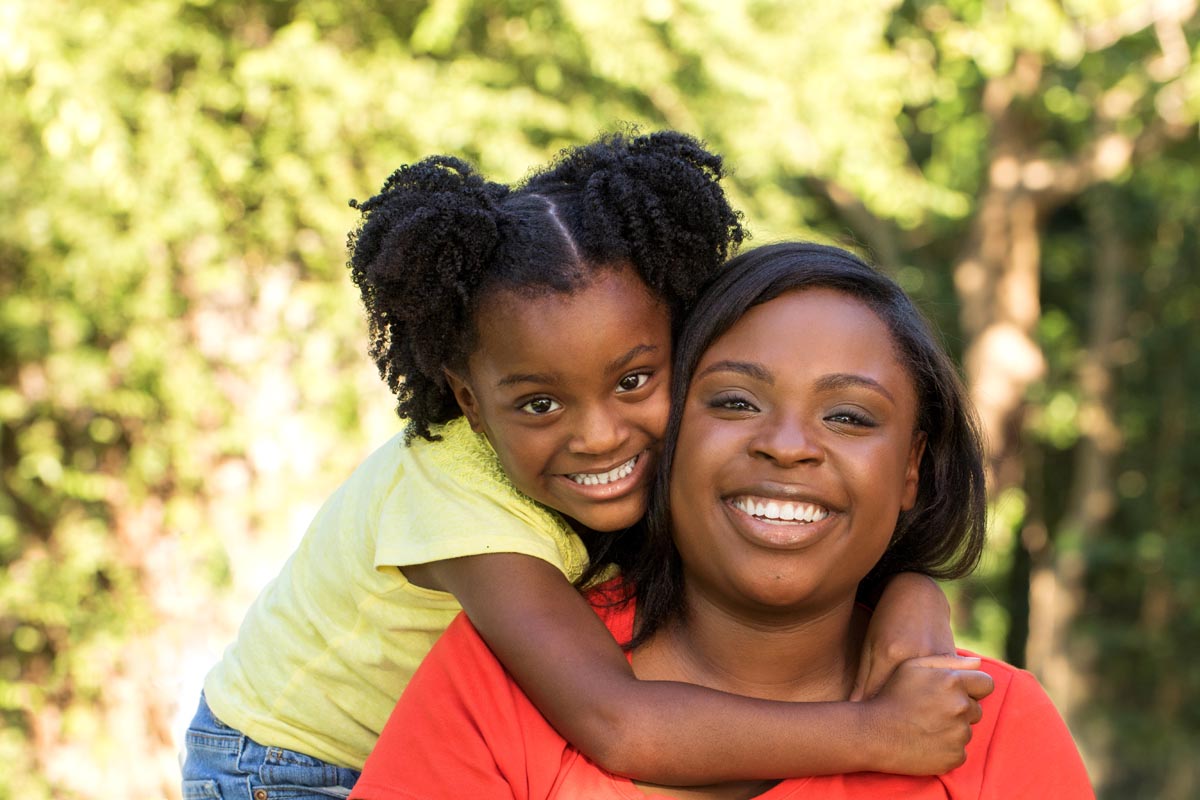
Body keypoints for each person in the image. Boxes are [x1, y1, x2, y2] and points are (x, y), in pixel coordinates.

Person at [182, 135, 972, 800]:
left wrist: (911, 593)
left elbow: (794, 548)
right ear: (469, 400)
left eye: (633, 381)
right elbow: (617, 723)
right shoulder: (465, 510)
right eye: (538, 404)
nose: (598, 437)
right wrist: (873, 732)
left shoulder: (661, 459)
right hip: (285, 764)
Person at [352, 241, 1094, 799]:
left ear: (911, 469)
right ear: (667, 433)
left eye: (849, 416)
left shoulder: (990, 729)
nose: (787, 444)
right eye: (736, 401)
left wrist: (915, 590)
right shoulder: (507, 678)